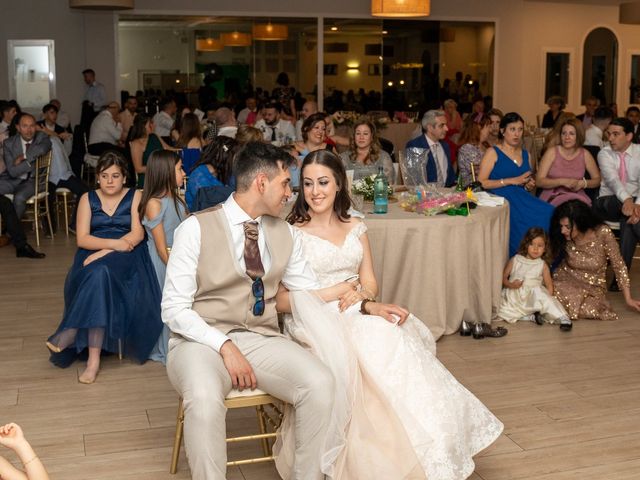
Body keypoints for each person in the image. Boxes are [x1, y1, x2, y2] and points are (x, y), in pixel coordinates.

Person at [277, 150, 503, 479]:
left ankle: (428, 449)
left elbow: (369, 281)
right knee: (372, 344)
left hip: (352, 310)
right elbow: (281, 301)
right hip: (313, 320)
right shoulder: (292, 231)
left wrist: (364, 297)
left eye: (323, 182)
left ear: (339, 183)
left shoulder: (355, 226)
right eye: (307, 183)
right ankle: (381, 460)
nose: (315, 191)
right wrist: (337, 291)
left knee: (391, 335)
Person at [163, 141, 368, 479]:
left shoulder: (286, 233)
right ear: (261, 183)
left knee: (319, 382)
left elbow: (307, 293)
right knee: (202, 397)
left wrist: (366, 302)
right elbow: (173, 309)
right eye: (286, 183)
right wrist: (224, 346)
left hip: (260, 337)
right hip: (197, 341)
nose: (291, 192)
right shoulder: (194, 229)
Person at [45, 152, 163, 384]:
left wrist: (107, 251)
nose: (110, 181)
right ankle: (93, 358)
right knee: (97, 275)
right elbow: (83, 239)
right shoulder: (87, 199)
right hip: (93, 251)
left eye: (116, 176)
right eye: (105, 175)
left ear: (124, 178)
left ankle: (76, 337)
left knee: (100, 272)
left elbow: (137, 235)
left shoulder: (135, 195)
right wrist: (109, 245)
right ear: (97, 178)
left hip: (128, 254)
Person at [478, 112, 555, 256]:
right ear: (503, 131)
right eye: (512, 129)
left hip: (521, 197)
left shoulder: (526, 154)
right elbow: (482, 182)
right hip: (502, 199)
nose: (517, 134)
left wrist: (527, 185)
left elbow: (524, 182)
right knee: (537, 218)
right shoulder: (493, 152)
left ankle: (540, 265)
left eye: (520, 129)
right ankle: (520, 261)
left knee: (551, 212)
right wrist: (511, 181)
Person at [551, 200, 640, 321]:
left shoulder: (603, 233)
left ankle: (553, 308)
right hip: (565, 280)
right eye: (561, 226)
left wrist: (628, 299)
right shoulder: (564, 236)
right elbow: (548, 258)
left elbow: (618, 265)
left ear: (581, 222)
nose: (563, 231)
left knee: (595, 309)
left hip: (593, 288)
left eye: (568, 227)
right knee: (549, 290)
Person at [140, 150, 187, 364]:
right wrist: (176, 269)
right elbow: (161, 247)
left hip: (177, 257)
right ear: (166, 172)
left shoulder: (177, 200)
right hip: (163, 260)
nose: (183, 173)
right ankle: (168, 348)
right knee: (167, 303)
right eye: (179, 169)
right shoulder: (154, 203)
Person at [592, 117, 640, 278]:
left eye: (616, 134)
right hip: (606, 203)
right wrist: (628, 201)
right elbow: (613, 181)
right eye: (609, 133)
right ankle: (622, 275)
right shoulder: (604, 153)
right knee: (626, 209)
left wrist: (637, 205)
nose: (610, 138)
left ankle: (621, 276)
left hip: (632, 206)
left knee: (628, 221)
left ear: (629, 136)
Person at [497, 227, 571, 329]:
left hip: (534, 296)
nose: (535, 249)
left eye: (540, 246)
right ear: (526, 244)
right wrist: (511, 284)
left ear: (545, 248)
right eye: (532, 244)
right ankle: (529, 317)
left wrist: (547, 300)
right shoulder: (515, 260)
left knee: (547, 300)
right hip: (515, 296)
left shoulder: (542, 264)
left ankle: (563, 319)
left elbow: (549, 286)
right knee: (501, 310)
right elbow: (503, 278)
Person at [536, 117, 600, 206]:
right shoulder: (552, 152)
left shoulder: (585, 154)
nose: (567, 137)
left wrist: (583, 183)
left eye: (571, 134)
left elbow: (597, 180)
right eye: (564, 133)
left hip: (577, 196)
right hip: (552, 195)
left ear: (579, 135)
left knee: (578, 211)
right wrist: (562, 181)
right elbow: (539, 181)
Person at [1, 113, 52, 219]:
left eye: (32, 126)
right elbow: (12, 172)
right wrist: (30, 163)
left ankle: (12, 232)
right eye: (25, 126)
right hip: (12, 180)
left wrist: (24, 157)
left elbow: (43, 149)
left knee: (19, 198)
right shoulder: (9, 143)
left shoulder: (41, 137)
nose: (29, 130)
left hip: (34, 181)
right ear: (18, 128)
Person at [406, 110, 456, 187]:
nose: (446, 129)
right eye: (441, 125)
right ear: (429, 128)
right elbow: (414, 180)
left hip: (446, 194)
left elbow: (450, 177)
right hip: (425, 195)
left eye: (446, 125)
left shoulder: (445, 146)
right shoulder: (415, 146)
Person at [185, 136, 237, 211]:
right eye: (234, 156)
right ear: (225, 157)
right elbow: (207, 203)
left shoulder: (228, 173)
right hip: (203, 216)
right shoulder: (199, 175)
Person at [339, 117, 393, 182]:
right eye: (358, 133)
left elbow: (389, 184)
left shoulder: (384, 157)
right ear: (354, 136)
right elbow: (339, 184)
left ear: (372, 137)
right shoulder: (344, 158)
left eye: (365, 134)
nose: (361, 137)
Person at [128, 113, 173, 188]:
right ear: (143, 125)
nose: (154, 125)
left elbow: (169, 149)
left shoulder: (154, 136)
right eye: (151, 123)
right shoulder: (136, 143)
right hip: (147, 179)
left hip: (161, 176)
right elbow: (138, 168)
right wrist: (158, 167)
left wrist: (186, 149)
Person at [292, 113, 337, 187]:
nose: (320, 131)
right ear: (306, 129)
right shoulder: (294, 148)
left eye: (323, 129)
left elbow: (338, 171)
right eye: (316, 127)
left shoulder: (330, 149)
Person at [457, 116, 491, 186]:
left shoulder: (486, 146)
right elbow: (480, 171)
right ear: (479, 127)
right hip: (472, 191)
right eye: (488, 127)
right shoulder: (467, 149)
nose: (490, 130)